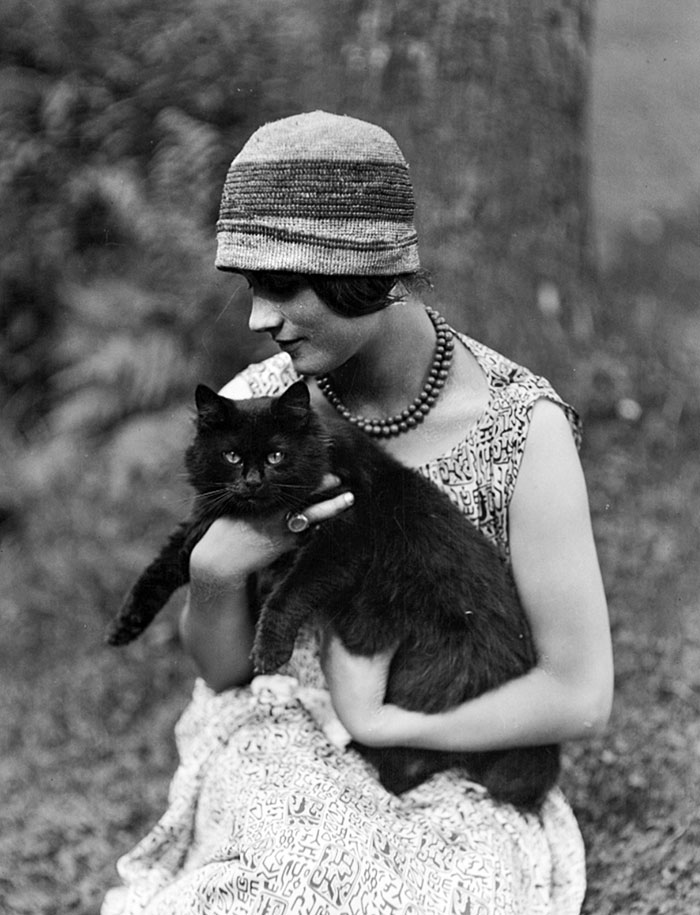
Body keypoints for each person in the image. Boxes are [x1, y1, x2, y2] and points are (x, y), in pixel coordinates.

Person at [102, 110, 613, 915]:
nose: (257, 320)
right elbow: (224, 671)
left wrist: (383, 722)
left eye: (279, 288)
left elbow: (578, 690)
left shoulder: (521, 428)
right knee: (287, 883)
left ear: (358, 271)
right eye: (250, 290)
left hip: (453, 750)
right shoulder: (259, 412)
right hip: (281, 743)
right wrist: (209, 573)